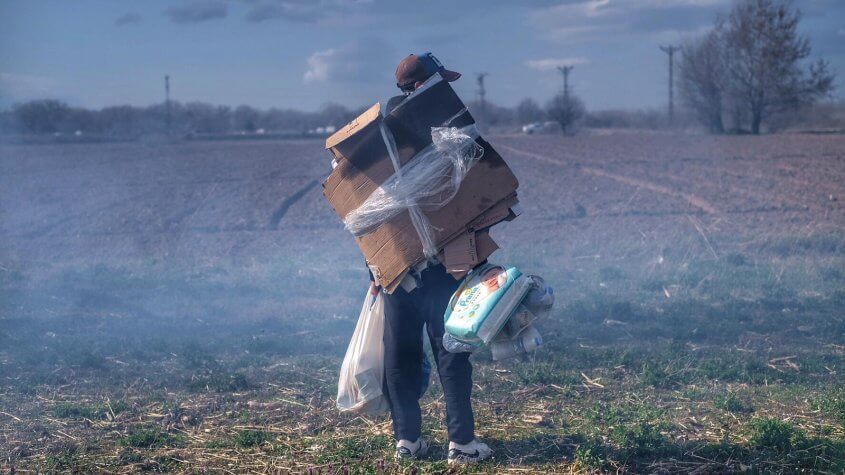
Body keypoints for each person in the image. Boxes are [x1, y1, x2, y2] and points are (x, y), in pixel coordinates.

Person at [368, 52, 493, 465]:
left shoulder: (379, 141)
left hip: (396, 265)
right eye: (440, 80)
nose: (447, 88)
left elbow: (366, 209)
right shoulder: (446, 129)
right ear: (422, 86)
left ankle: (407, 440)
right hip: (444, 260)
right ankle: (461, 444)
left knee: (401, 353)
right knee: (452, 352)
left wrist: (373, 265)